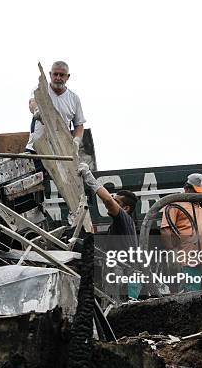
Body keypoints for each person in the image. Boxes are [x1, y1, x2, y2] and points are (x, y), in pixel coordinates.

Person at [78, 162, 139, 298]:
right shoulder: (123, 224)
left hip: (124, 279)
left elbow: (107, 200)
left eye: (117, 201)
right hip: (125, 277)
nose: (112, 201)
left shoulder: (123, 219)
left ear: (126, 208)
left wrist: (89, 178)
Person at [26, 61, 86, 153]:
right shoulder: (40, 90)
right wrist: (37, 111)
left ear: (67, 77)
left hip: (61, 151)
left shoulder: (74, 99)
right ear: (50, 74)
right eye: (55, 74)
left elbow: (79, 125)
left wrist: (76, 141)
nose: (58, 78)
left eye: (62, 75)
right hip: (37, 150)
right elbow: (32, 102)